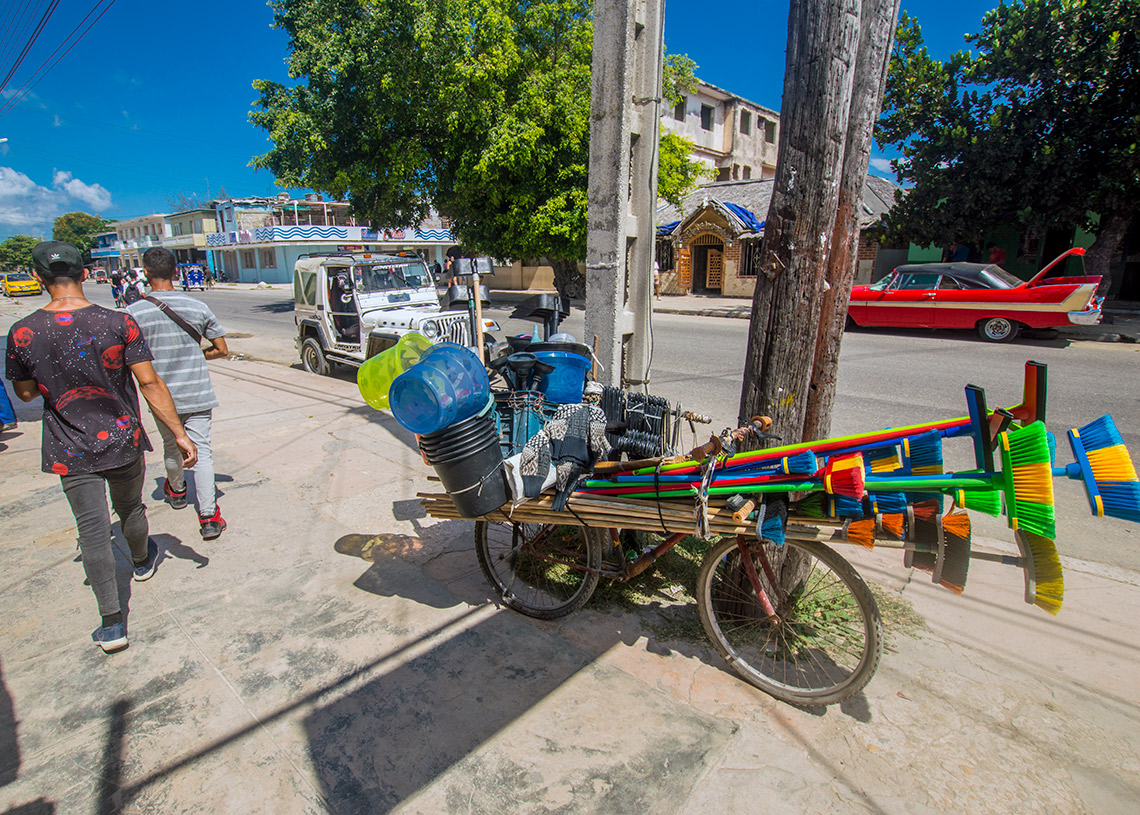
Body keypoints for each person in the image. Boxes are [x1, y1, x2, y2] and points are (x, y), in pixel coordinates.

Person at [5, 241, 197, 653]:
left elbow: (23, 394)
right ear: (86, 274)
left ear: (37, 278)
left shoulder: (22, 332)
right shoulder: (118, 323)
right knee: (130, 508)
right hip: (122, 441)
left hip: (68, 446)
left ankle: (112, 623)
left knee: (91, 530)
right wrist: (178, 433)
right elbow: (149, 382)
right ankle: (143, 561)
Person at [127, 248, 228, 540]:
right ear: (176, 272)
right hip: (197, 392)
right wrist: (198, 357)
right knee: (203, 452)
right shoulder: (197, 307)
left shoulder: (133, 313)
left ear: (145, 272)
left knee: (171, 446)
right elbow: (221, 348)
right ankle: (209, 517)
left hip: (160, 397)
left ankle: (178, 493)